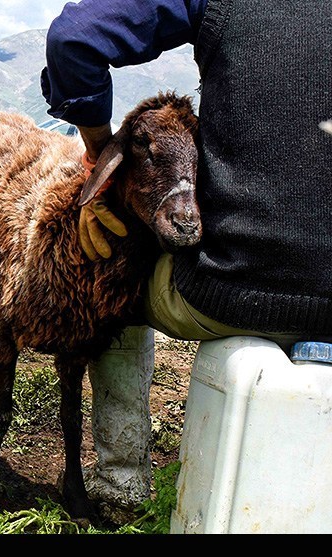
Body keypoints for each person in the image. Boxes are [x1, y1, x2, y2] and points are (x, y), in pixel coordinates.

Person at [42, 0, 332, 523]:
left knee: (116, 272)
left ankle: (121, 484)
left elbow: (75, 38)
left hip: (230, 292)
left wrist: (98, 154)